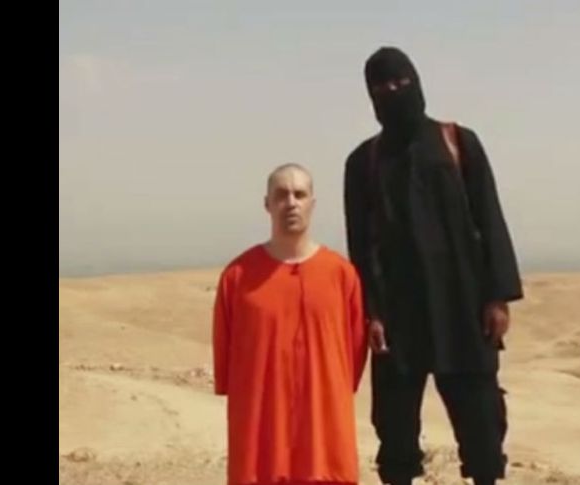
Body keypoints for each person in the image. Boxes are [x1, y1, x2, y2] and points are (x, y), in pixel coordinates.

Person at [343, 47, 524, 485]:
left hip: (463, 307)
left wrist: (497, 297)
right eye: (382, 86)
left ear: (417, 82)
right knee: (395, 427)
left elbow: (489, 218)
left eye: (401, 82)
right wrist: (371, 312)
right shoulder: (363, 162)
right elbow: (360, 246)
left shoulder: (458, 142)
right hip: (397, 316)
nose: (393, 91)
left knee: (481, 420)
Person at [213, 163, 368, 485]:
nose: (291, 203)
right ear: (267, 204)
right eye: (281, 195)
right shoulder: (238, 276)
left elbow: (352, 356)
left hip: (325, 442)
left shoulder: (342, 275)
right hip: (260, 447)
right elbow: (226, 354)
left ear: (313, 203)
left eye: (300, 194)